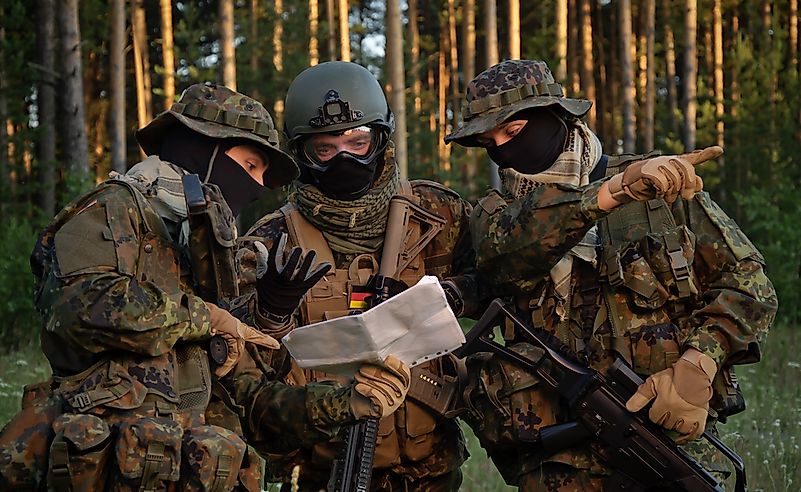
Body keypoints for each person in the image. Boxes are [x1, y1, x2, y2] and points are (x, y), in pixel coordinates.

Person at [0, 83, 411, 491]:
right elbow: (80, 307)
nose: (255, 186)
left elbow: (251, 402)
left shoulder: (209, 257)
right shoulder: (114, 211)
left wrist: (349, 403)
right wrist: (206, 317)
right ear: (203, 149)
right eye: (250, 166)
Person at [445, 59, 778, 490]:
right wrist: (609, 193)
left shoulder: (662, 191)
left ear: (558, 117)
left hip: (662, 436)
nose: (505, 151)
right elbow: (507, 260)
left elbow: (748, 283)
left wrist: (700, 362)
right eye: (490, 142)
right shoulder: (496, 216)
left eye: (514, 131)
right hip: (555, 463)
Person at [237, 61, 480, 491]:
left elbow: (501, 285)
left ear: (381, 140)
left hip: (432, 468)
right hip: (323, 471)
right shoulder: (271, 243)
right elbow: (247, 382)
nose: (344, 158)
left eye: (358, 141)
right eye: (325, 150)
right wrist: (270, 314)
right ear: (301, 154)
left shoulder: (438, 215)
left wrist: (452, 295)